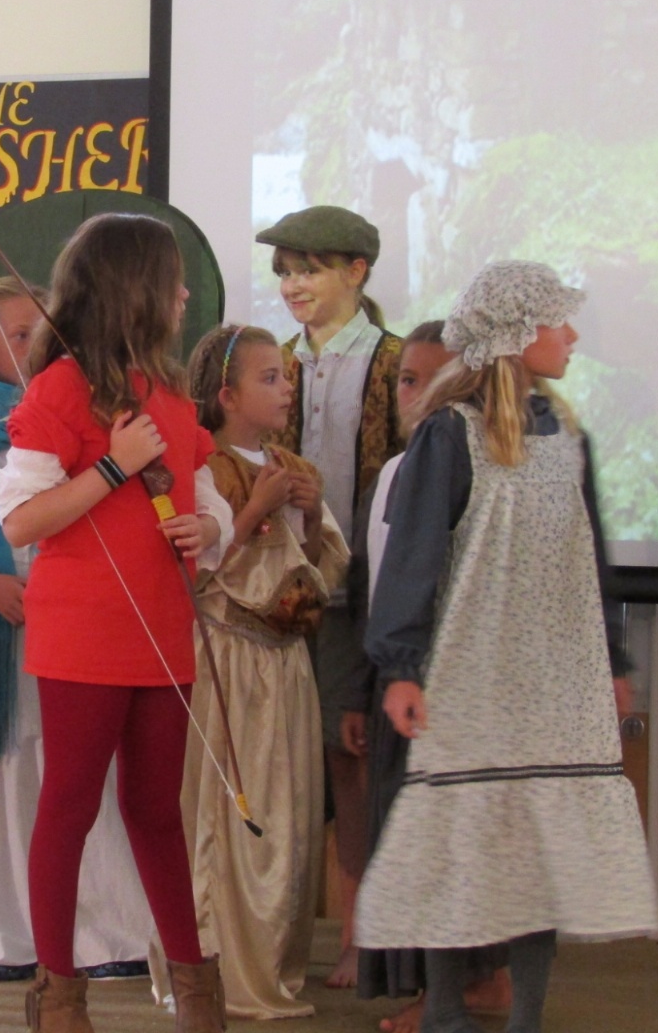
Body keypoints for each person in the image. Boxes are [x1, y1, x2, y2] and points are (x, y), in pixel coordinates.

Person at [356, 261, 657, 1033]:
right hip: (473, 672)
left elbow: (589, 561)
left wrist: (611, 661)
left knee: (540, 848)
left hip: (556, 679)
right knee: (461, 839)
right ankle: (445, 1010)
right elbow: (415, 556)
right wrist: (401, 665)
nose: (573, 335)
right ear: (515, 333)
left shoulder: (566, 438)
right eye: (558, 320)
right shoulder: (449, 436)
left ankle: (526, 1016)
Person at [0, 213, 233, 1033]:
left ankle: (197, 996)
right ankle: (60, 998)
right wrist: (111, 466)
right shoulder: (59, 389)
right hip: (84, 633)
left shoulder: (170, 395)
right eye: (173, 281)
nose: (184, 295)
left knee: (157, 808)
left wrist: (209, 527)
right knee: (69, 805)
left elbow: (208, 498)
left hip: (162, 625)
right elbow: (21, 521)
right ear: (138, 289)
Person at [0, 277, 153, 982]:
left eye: (43, 335)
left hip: (71, 623)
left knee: (77, 781)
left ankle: (105, 939)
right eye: (19, 335)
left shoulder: (75, 418)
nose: (35, 347)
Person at [155, 323, 348, 1020]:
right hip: (228, 661)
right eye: (270, 377)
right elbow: (195, 572)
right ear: (226, 394)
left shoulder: (291, 466)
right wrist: (256, 511)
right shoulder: (202, 467)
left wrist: (311, 516)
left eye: (287, 376)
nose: (287, 388)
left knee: (287, 816)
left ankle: (273, 962)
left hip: (285, 664)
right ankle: (221, 966)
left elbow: (321, 567)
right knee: (227, 818)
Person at [347, 322, 509, 1033]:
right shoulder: (392, 471)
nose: (414, 395)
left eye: (432, 380)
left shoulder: (477, 462)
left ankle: (472, 982)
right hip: (398, 680)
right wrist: (365, 686)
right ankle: (442, 985)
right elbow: (375, 586)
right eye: (405, 380)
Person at [257, 204, 403, 989]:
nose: (293, 284)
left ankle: (361, 936)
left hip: (360, 596)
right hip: (280, 594)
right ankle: (274, 931)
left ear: (356, 271)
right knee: (281, 761)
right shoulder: (275, 362)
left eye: (308, 269)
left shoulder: (394, 361)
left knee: (354, 765)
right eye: (284, 271)